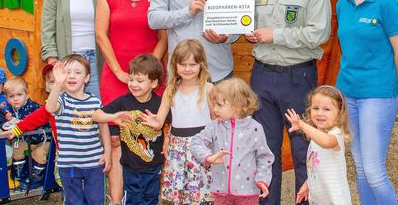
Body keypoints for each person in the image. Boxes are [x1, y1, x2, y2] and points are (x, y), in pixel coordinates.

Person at [246, 0, 332, 205]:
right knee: (265, 149)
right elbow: (250, 23)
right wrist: (248, 31)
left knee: (303, 149)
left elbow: (319, 33)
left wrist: (275, 35)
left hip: (298, 78)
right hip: (262, 76)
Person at [335, 0, 398, 205]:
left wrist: (387, 85)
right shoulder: (342, 5)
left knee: (374, 171)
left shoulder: (387, 4)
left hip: (377, 96)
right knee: (360, 167)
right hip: (348, 94)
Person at [96, 0, 167, 205]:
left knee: (149, 137)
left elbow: (163, 37)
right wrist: (119, 72)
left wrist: (150, 71)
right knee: (116, 141)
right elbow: (101, 35)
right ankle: (117, 199)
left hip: (149, 79)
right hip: (116, 77)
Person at [141, 39, 215, 205]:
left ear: (201, 65)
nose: (187, 69)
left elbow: (216, 120)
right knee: (180, 195)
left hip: (201, 148)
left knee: (201, 194)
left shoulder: (208, 89)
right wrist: (153, 121)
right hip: (178, 150)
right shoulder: (171, 90)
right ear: (175, 65)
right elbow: (160, 121)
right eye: (183, 64)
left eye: (192, 64)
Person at [93, 54, 166, 205]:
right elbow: (96, 115)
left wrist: (168, 139)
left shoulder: (160, 104)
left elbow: (172, 123)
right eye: (131, 79)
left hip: (154, 165)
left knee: (151, 199)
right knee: (132, 199)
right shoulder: (124, 102)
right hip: (130, 167)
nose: (133, 84)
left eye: (140, 81)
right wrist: (113, 117)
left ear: (153, 83)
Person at [190, 78, 273, 205]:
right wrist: (208, 157)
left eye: (219, 105)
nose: (214, 109)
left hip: (248, 192)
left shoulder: (255, 128)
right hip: (221, 192)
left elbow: (264, 157)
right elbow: (196, 142)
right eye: (214, 104)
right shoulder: (214, 126)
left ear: (237, 106)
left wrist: (262, 179)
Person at [46, 54, 112, 205]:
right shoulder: (62, 101)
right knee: (74, 201)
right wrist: (57, 84)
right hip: (69, 164)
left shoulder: (94, 102)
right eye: (67, 72)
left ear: (86, 78)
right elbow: (50, 107)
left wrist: (107, 153)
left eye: (77, 72)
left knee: (96, 200)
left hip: (94, 162)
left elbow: (103, 127)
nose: (71, 76)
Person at [41, 0, 102, 97]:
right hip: (65, 60)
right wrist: (54, 64)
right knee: (65, 107)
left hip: (94, 62)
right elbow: (47, 31)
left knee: (96, 106)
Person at [285, 86, 352, 205]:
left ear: (340, 114)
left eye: (327, 109)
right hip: (318, 199)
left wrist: (302, 125)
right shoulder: (315, 138)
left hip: (335, 200)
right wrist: (307, 184)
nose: (320, 113)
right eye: (315, 108)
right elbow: (317, 168)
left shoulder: (335, 134)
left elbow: (326, 142)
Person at [3, 76, 51, 191]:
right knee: (16, 148)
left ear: (27, 94)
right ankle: (19, 174)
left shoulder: (34, 108)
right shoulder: (10, 110)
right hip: (26, 140)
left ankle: (36, 177)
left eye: (19, 95)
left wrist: (20, 124)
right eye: (11, 96)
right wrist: (9, 120)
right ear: (7, 98)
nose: (16, 99)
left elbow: (37, 121)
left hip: (43, 140)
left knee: (39, 153)